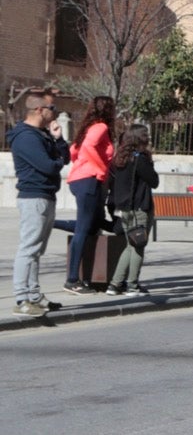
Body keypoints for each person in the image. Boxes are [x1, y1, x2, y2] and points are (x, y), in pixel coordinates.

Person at [10, 91, 71, 315]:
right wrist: (56, 160)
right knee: (28, 249)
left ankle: (35, 296)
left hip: (46, 195)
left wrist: (59, 139)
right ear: (39, 110)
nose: (54, 112)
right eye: (51, 108)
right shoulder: (25, 137)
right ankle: (21, 299)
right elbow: (49, 166)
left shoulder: (42, 134)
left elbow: (65, 158)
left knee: (36, 250)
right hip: (33, 197)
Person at [63, 95, 117, 291]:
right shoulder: (101, 127)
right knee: (84, 229)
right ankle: (72, 280)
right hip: (89, 180)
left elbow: (73, 152)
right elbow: (87, 147)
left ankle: (52, 223)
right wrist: (101, 168)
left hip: (79, 180)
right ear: (108, 110)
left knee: (91, 225)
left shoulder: (87, 128)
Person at [105, 126, 159, 296]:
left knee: (130, 246)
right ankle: (132, 285)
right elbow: (154, 180)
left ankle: (114, 284)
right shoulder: (140, 159)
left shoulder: (120, 159)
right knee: (138, 247)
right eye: (146, 135)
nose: (149, 138)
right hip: (139, 209)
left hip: (125, 208)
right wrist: (150, 162)